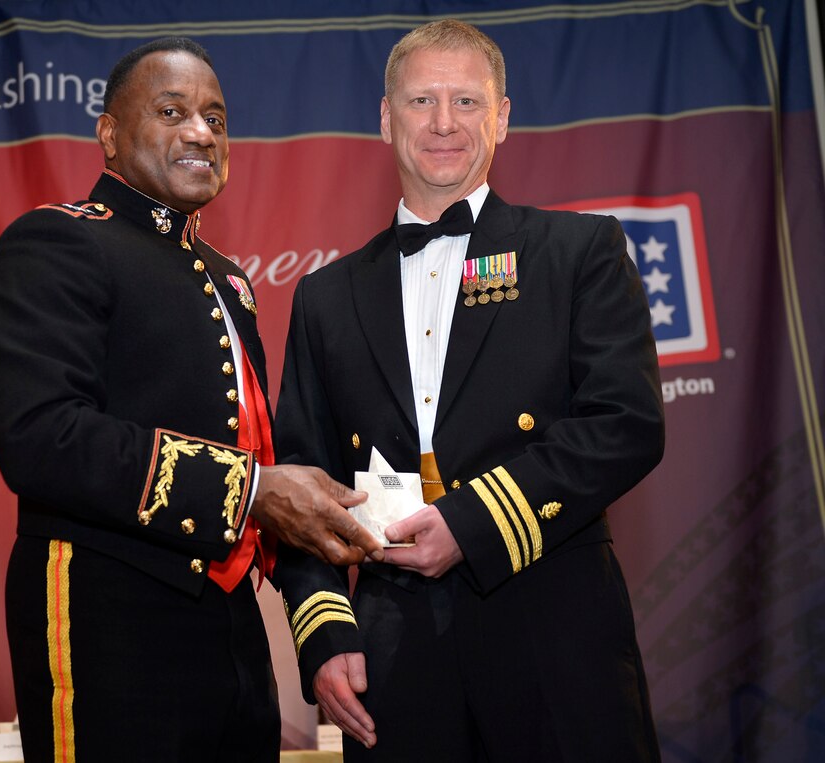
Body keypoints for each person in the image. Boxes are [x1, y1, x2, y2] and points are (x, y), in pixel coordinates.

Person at [0, 36, 382, 763]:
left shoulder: (228, 279)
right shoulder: (56, 241)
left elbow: (261, 450)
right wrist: (251, 491)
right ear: (109, 134)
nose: (201, 132)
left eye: (216, 119)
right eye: (172, 112)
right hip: (109, 628)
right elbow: (40, 438)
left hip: (234, 638)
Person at [273, 19, 665, 761]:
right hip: (393, 660)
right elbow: (300, 482)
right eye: (421, 101)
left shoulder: (578, 252)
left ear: (503, 117)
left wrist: (472, 523)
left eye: (466, 101)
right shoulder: (326, 297)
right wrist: (323, 632)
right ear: (386, 118)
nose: (444, 123)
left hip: (555, 637)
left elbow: (626, 423)